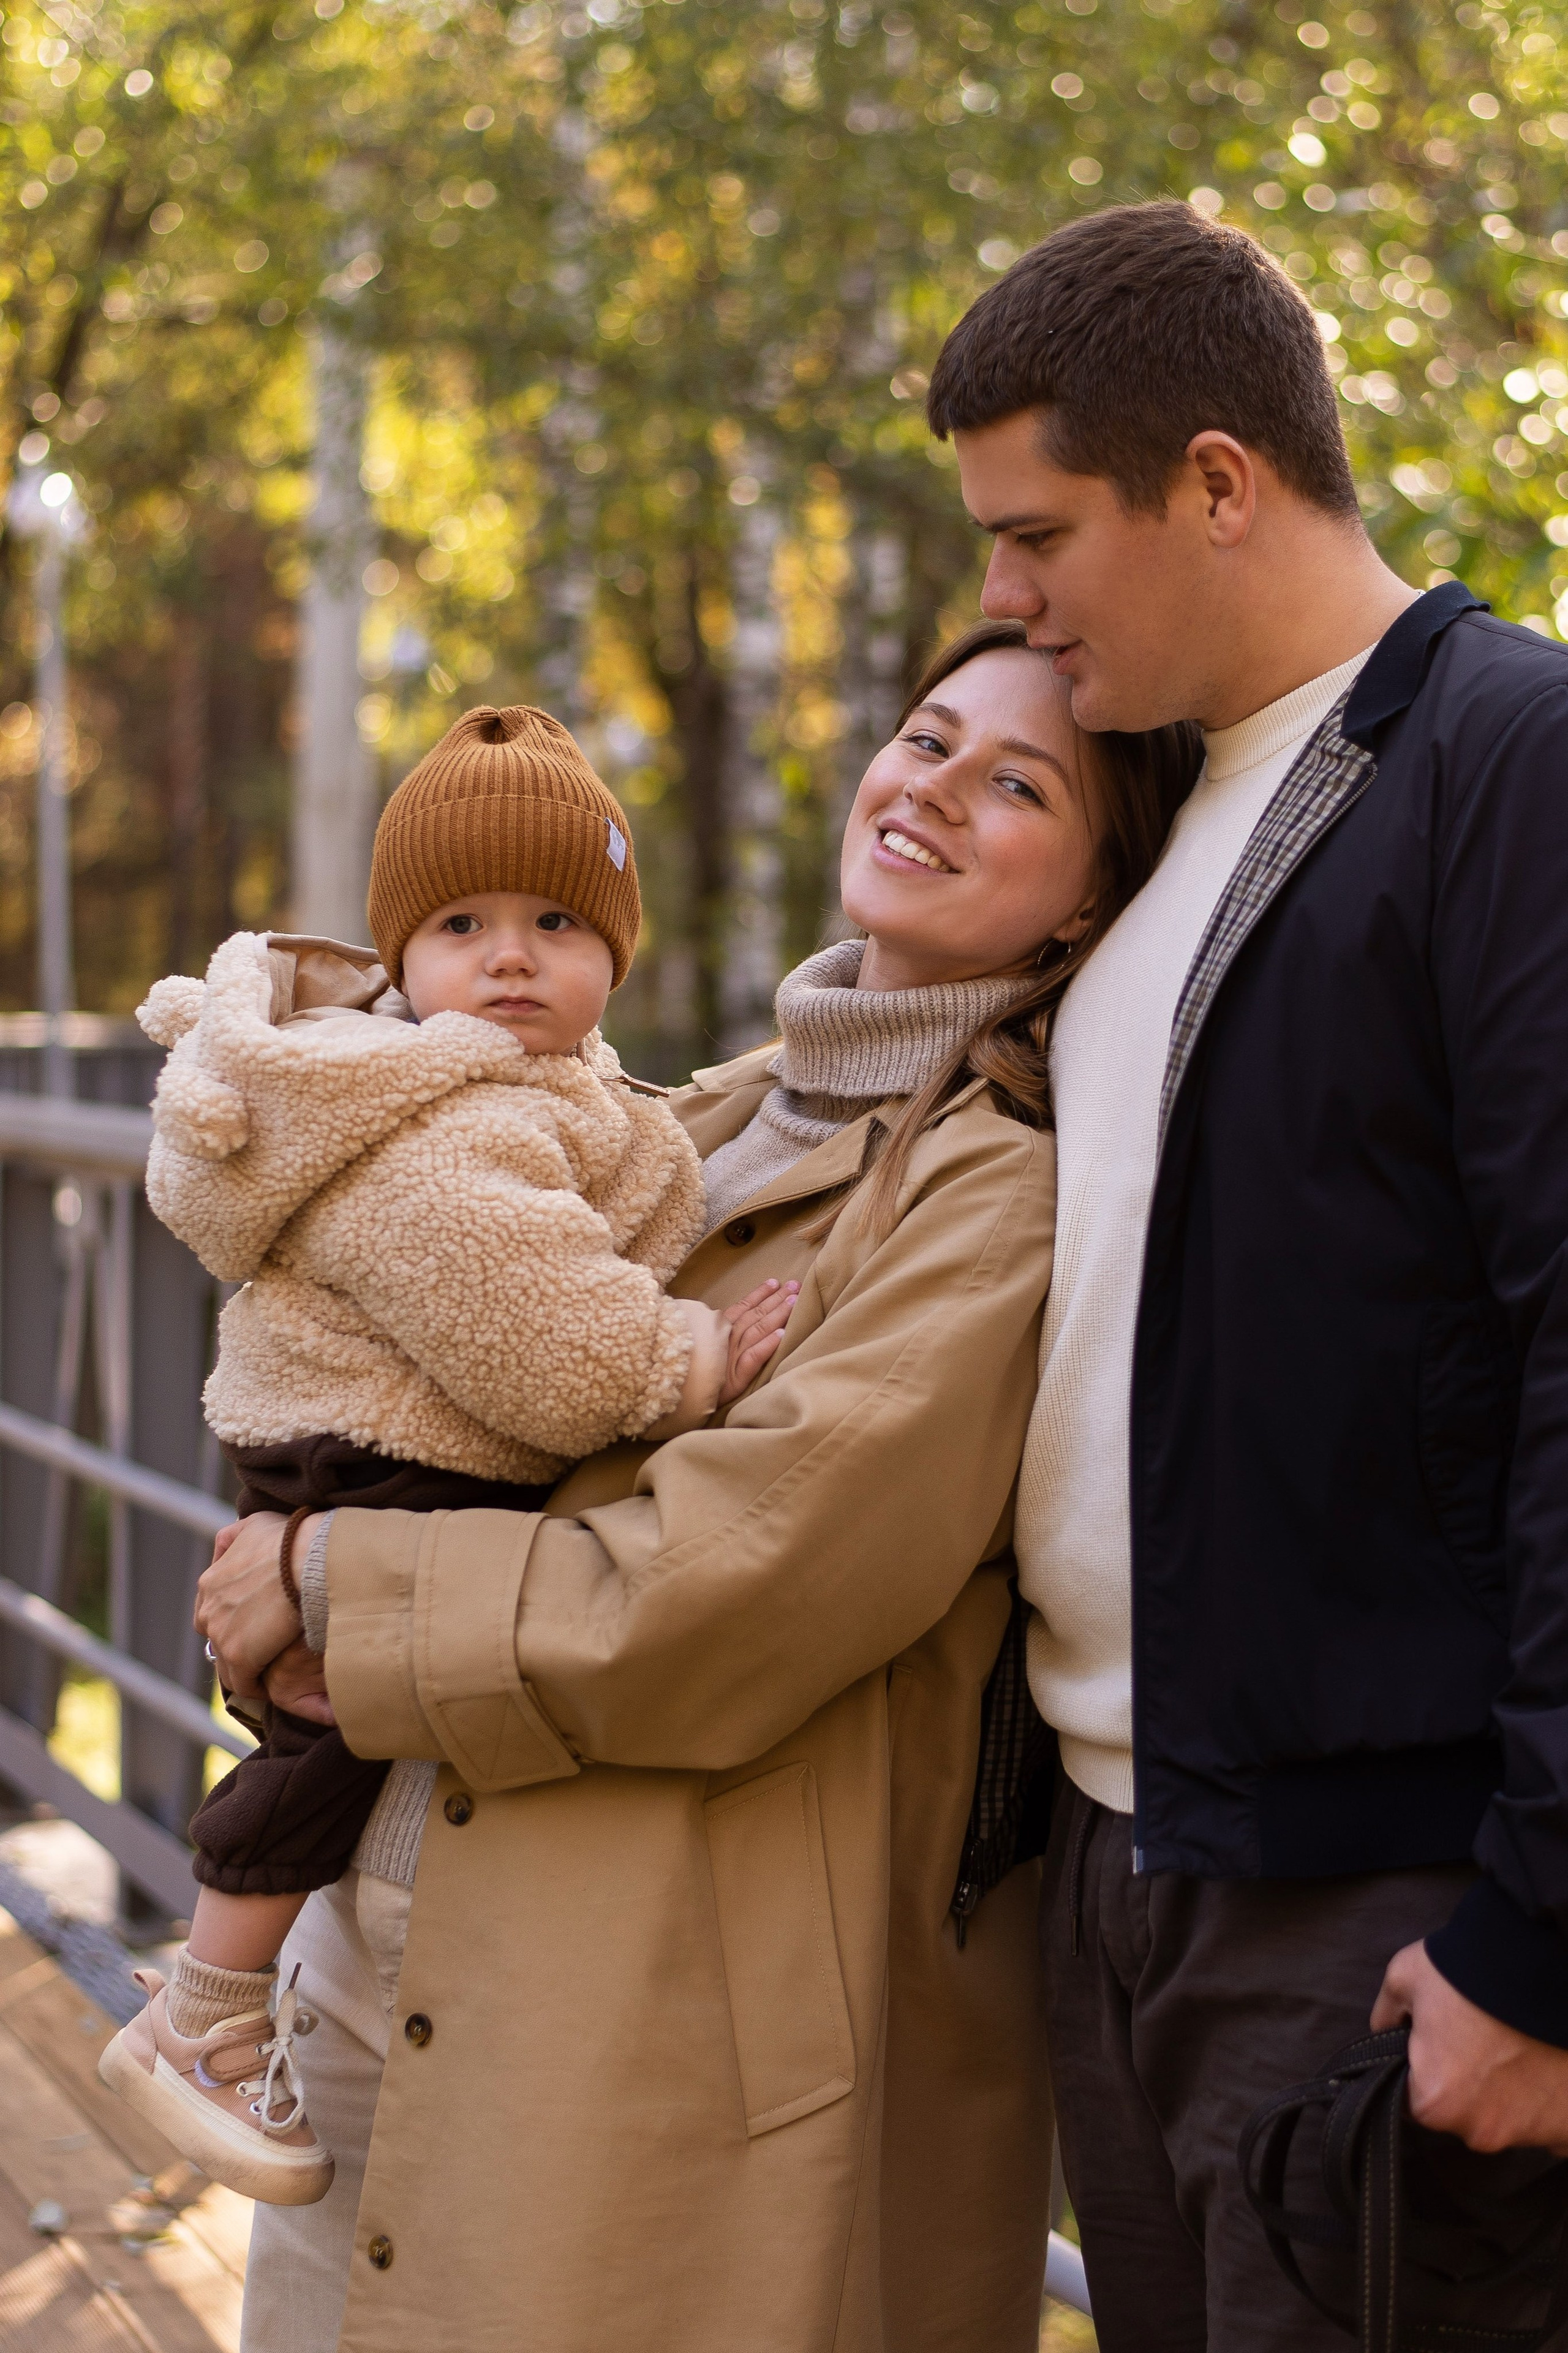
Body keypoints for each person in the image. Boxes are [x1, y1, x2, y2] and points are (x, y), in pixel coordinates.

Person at [194, 624, 1199, 2353]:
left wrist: (329, 1584)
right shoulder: (698, 1109)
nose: (936, 789)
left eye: (1019, 784)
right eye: (928, 736)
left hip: (627, 2030)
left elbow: (733, 1584)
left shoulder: (991, 1194)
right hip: (382, 1953)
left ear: (1093, 905)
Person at [924, 198, 1568, 2349]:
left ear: (1216, 481)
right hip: (1123, 1864)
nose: (1001, 596)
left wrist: (1541, 1937)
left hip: (1380, 1899)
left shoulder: (1508, 762)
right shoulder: (1164, 805)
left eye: (1037, 535)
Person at [100, 703, 791, 2204]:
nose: (510, 956)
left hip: (380, 1445)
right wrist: (692, 1358)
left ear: (617, 947)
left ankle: (220, 2000)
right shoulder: (434, 1118)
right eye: (460, 923)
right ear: (401, 960)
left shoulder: (545, 1090)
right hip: (365, 1454)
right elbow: (534, 1342)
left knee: (342, 1708)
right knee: (337, 1722)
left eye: (557, 918)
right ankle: (200, 2014)